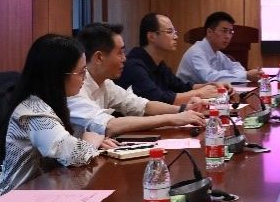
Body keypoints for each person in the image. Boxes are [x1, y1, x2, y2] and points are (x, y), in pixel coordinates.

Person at [0, 34, 116, 197]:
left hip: (42, 193)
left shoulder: (53, 102)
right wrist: (91, 141)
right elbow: (72, 153)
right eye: (81, 72)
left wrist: (89, 141)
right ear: (57, 75)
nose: (84, 78)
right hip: (14, 201)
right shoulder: (33, 112)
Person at [69, 23, 205, 138]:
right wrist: (172, 118)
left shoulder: (105, 83)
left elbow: (140, 105)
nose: (124, 58)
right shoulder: (73, 87)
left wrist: (183, 110)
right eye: (120, 53)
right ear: (99, 58)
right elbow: (109, 125)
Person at [117, 12, 222, 104]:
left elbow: (181, 87)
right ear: (151, 36)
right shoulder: (133, 66)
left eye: (175, 32)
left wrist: (211, 86)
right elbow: (158, 99)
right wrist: (199, 93)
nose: (176, 37)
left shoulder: (159, 64)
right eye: (169, 32)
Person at [177, 11, 262, 84]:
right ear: (209, 32)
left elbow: (236, 67)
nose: (228, 36)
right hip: (185, 95)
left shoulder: (217, 53)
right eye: (224, 31)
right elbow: (209, 78)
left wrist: (242, 74)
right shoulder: (196, 53)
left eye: (230, 32)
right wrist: (245, 75)